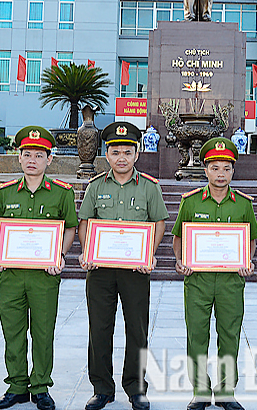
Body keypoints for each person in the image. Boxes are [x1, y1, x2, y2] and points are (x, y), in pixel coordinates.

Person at [0, 126, 78, 410]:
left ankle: (40, 387)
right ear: (19, 157)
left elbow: (70, 228)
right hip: (12, 276)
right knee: (12, 332)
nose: (32, 160)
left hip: (44, 278)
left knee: (42, 332)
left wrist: (59, 255)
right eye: (27, 154)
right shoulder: (6, 192)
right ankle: (16, 386)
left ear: (49, 160)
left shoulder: (61, 193)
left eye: (39, 155)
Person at [79, 122, 168, 410]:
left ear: (137, 154)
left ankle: (136, 388)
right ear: (107, 154)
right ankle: (102, 388)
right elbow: (85, 223)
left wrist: (149, 254)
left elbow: (159, 223)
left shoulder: (150, 188)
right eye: (115, 151)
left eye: (127, 152)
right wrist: (86, 252)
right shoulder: (95, 187)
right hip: (100, 271)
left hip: (135, 271)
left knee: (137, 329)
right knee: (100, 330)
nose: (121, 157)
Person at [171, 138, 257, 410]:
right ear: (205, 169)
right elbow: (178, 237)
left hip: (231, 280)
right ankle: (199, 390)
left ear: (233, 171)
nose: (221, 174)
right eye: (215, 168)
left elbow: (251, 238)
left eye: (226, 168)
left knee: (229, 334)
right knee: (197, 334)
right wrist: (180, 260)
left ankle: (225, 391)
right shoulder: (191, 201)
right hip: (198, 280)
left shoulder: (243, 204)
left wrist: (248, 261)